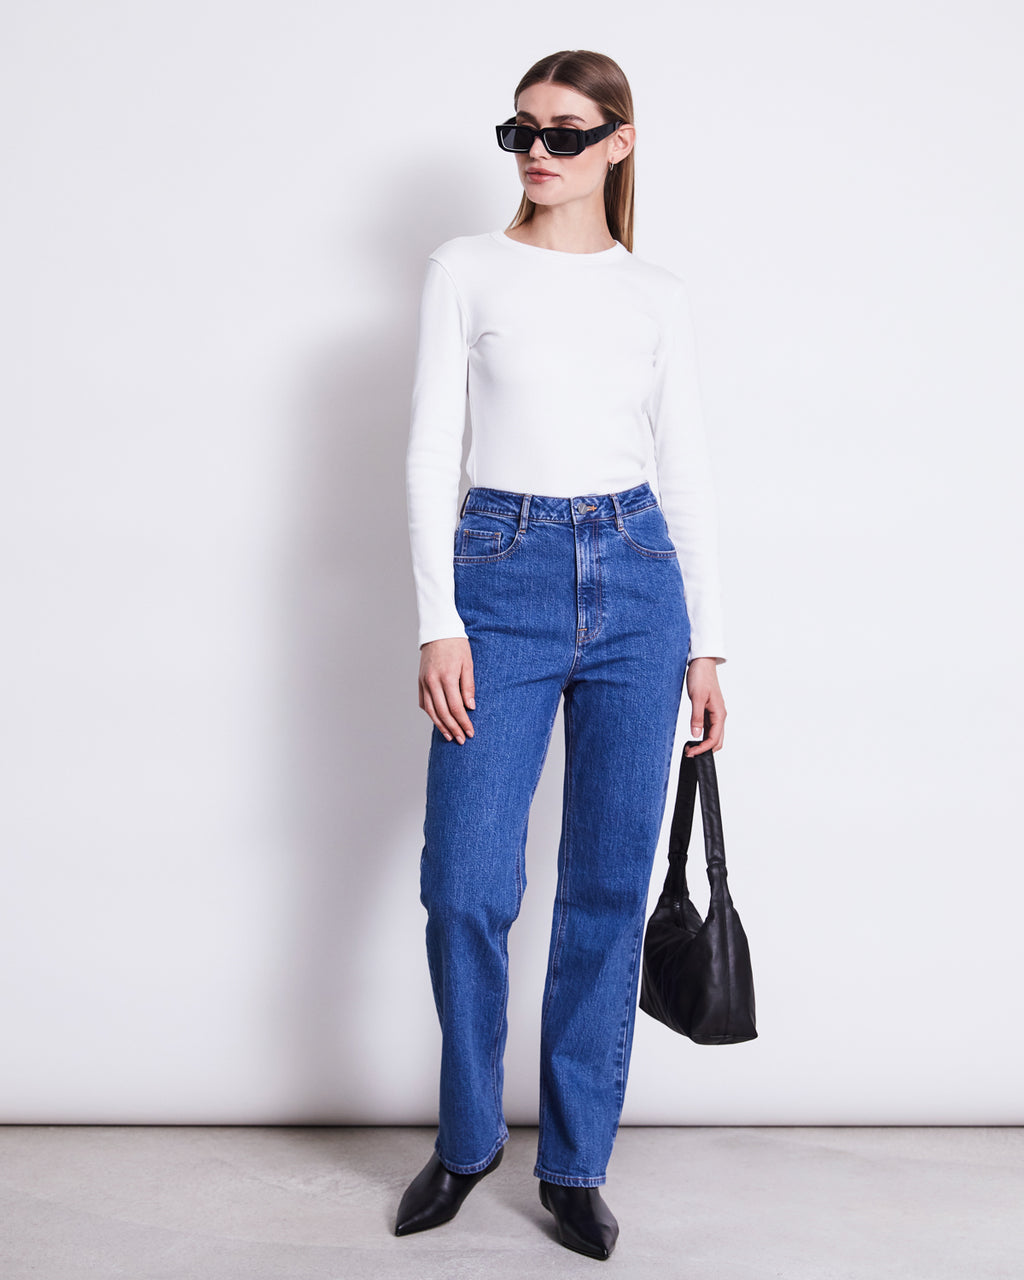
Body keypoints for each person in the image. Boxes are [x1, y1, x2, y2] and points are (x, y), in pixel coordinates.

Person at [397, 49, 728, 1261]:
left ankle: (576, 1162)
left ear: (617, 142)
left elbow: (685, 470)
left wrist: (708, 644)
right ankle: (467, 1137)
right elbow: (429, 449)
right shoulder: (465, 269)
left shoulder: (655, 292)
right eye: (521, 131)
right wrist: (438, 618)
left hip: (639, 579)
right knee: (466, 883)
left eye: (565, 131)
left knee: (603, 888)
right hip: (500, 570)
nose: (537, 151)